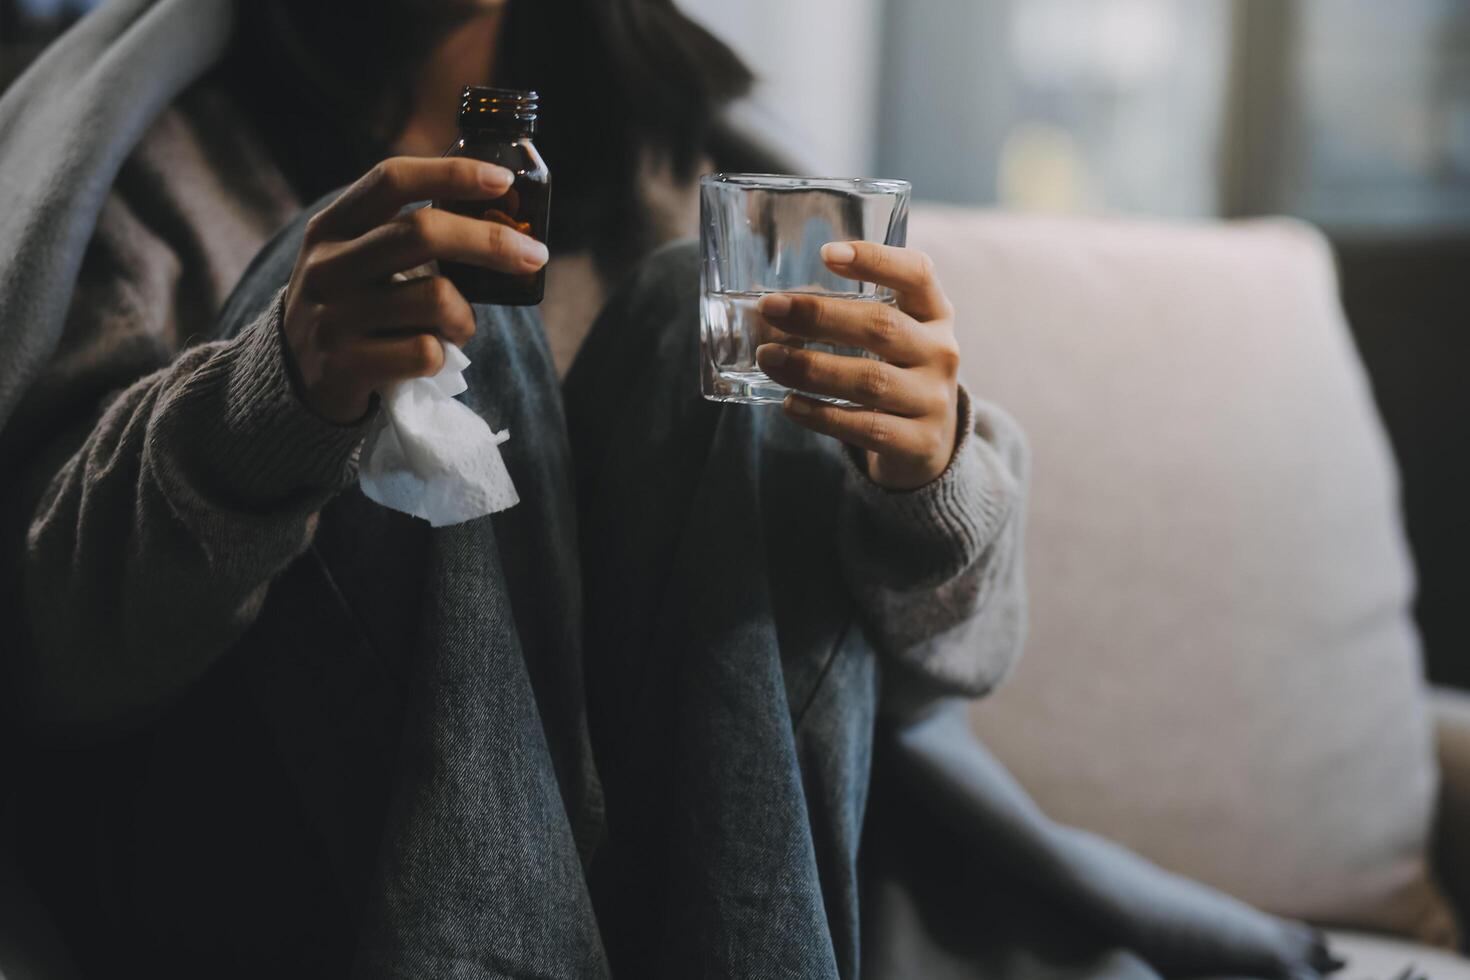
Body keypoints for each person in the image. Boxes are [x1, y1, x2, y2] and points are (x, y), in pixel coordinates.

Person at [0, 2, 1338, 978]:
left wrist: (924, 470)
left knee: (721, 325)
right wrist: (278, 392)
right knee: (468, 325)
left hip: (682, 877)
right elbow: (49, 652)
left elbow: (934, 679)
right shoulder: (149, 161)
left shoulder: (701, 179)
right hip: (284, 872)